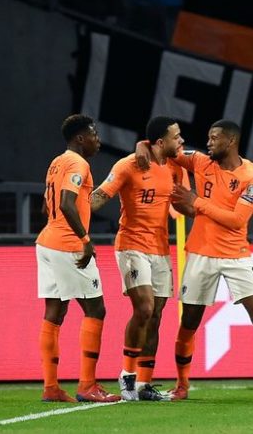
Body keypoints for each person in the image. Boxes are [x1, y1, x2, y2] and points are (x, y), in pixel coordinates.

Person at [134, 120, 253, 401]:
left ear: (231, 141)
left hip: (236, 254)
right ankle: (182, 385)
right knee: (189, 320)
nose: (209, 143)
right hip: (200, 253)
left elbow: (237, 219)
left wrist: (196, 202)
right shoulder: (201, 162)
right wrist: (142, 145)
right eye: (208, 137)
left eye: (214, 138)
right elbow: (165, 149)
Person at [90, 116, 185, 401]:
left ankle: (144, 384)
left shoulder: (176, 166)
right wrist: (70, 217)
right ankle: (127, 375)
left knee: (155, 315)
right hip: (132, 246)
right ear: (161, 142)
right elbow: (98, 197)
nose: (181, 141)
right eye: (176, 136)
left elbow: (185, 203)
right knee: (144, 308)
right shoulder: (128, 165)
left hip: (161, 250)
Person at [36, 114, 120, 404]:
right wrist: (85, 240)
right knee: (96, 309)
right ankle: (87, 385)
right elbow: (65, 203)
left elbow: (45, 206)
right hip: (68, 245)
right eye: (94, 135)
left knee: (55, 312)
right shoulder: (77, 163)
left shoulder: (56, 162)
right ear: (81, 138)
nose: (98, 141)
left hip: (47, 242)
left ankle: (51, 387)